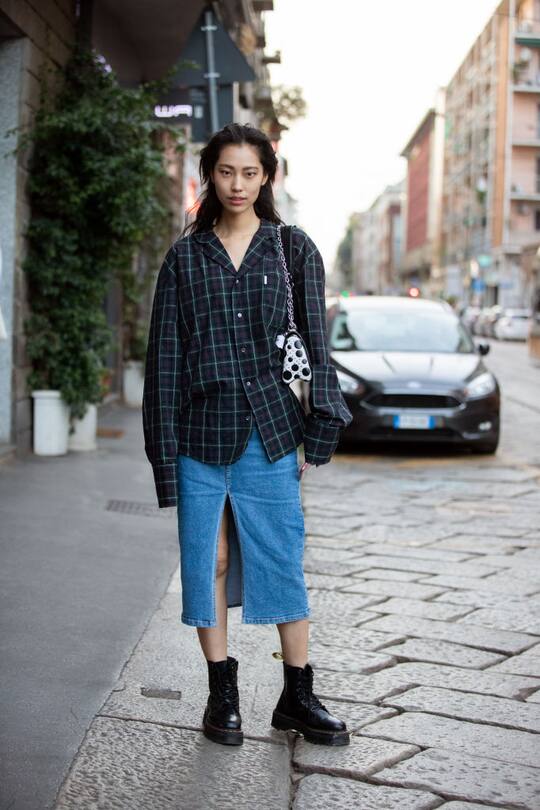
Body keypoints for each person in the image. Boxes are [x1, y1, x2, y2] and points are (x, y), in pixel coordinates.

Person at [142, 122, 353, 748]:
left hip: (269, 431)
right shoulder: (184, 257)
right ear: (210, 174)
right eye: (227, 171)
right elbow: (164, 362)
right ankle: (221, 694)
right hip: (199, 434)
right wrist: (162, 453)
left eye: (250, 172)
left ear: (268, 177)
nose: (237, 184)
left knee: (281, 558)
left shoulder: (293, 249)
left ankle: (297, 695)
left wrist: (321, 428)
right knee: (212, 558)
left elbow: (316, 343)